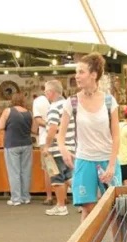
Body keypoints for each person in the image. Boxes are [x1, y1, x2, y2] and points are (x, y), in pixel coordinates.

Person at [57, 53, 121, 219]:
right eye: (76, 72)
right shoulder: (72, 101)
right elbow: (60, 134)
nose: (77, 76)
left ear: (93, 75)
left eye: (81, 72)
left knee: (115, 208)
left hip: (108, 158)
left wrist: (112, 165)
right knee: (88, 208)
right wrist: (63, 149)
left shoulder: (109, 101)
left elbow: (116, 136)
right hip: (84, 159)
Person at [0, 92, 36, 206]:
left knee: (14, 172)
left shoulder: (8, 111)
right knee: (26, 171)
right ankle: (26, 197)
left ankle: (16, 198)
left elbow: (0, 126)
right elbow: (34, 129)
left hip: (12, 144)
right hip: (27, 144)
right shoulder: (29, 113)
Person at [43, 80, 75, 217]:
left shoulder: (54, 108)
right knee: (69, 176)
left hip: (57, 148)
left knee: (57, 177)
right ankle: (87, 197)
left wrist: (46, 146)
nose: (45, 94)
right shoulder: (68, 105)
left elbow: (52, 128)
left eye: (45, 91)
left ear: (51, 92)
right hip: (71, 146)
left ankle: (61, 206)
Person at [31, 87, 55, 205]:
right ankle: (63, 196)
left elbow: (38, 121)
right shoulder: (62, 101)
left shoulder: (38, 101)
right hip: (60, 138)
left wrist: (49, 125)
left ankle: (49, 197)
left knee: (48, 169)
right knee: (62, 168)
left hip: (45, 139)